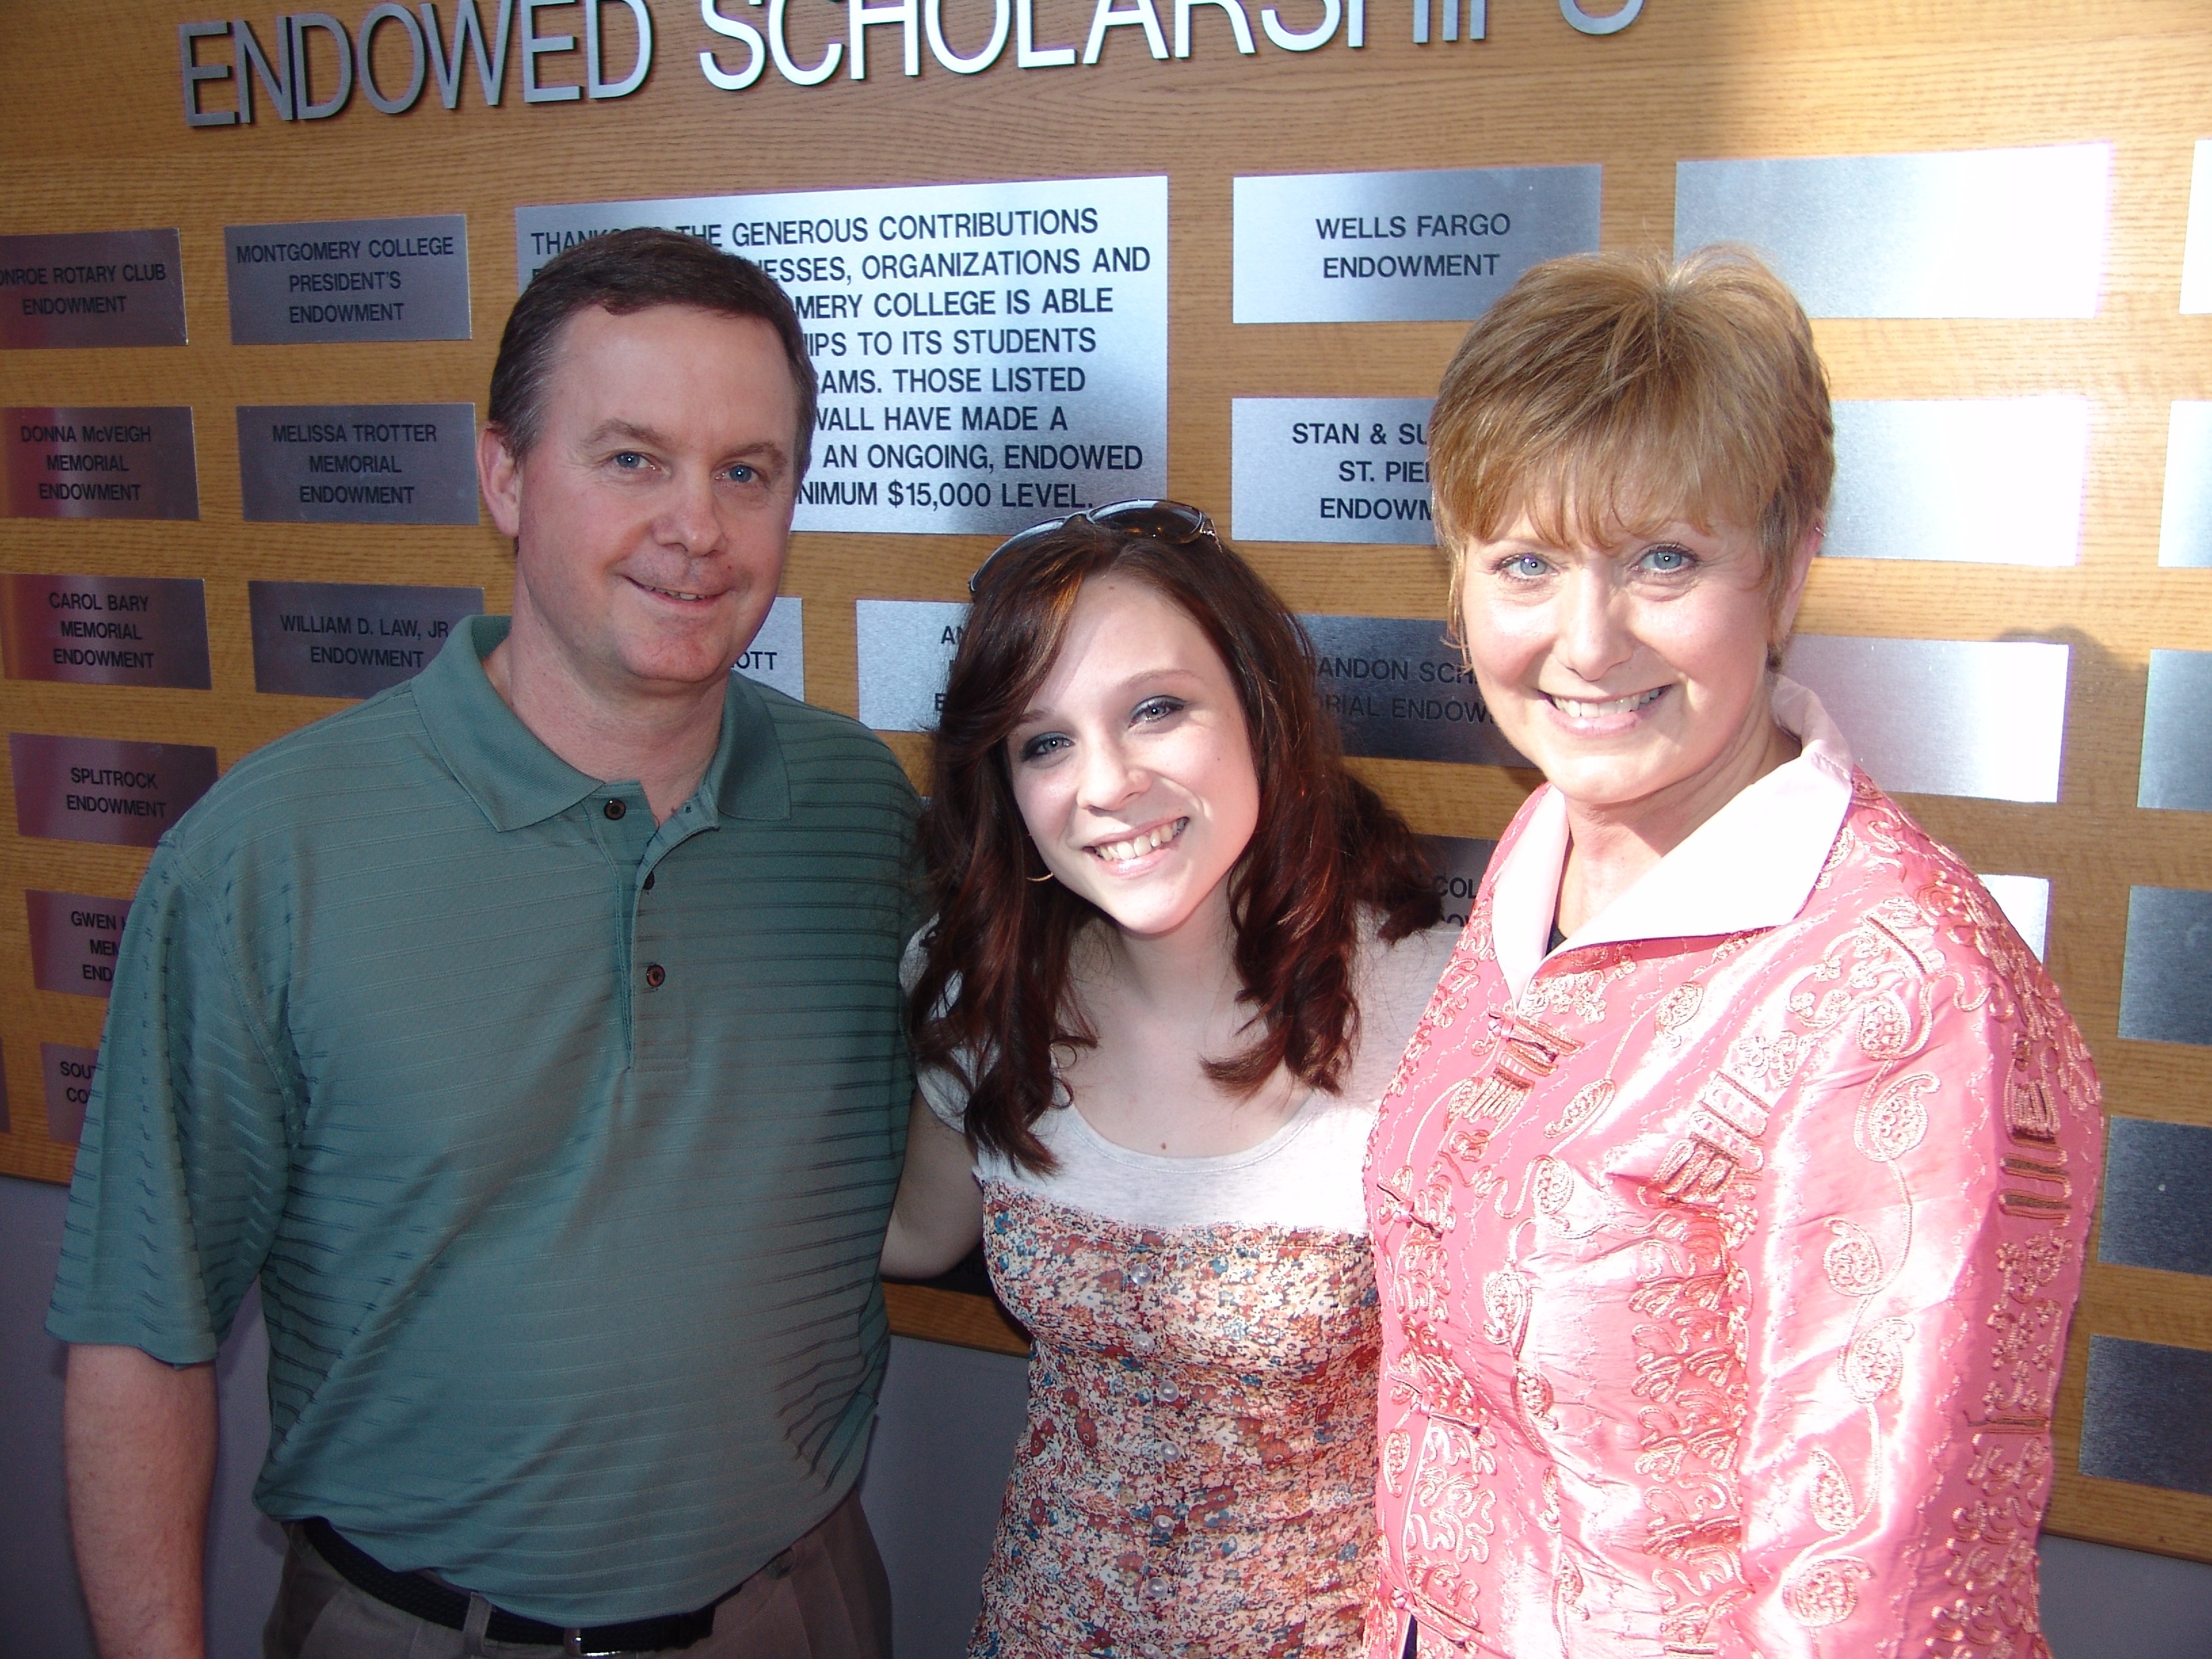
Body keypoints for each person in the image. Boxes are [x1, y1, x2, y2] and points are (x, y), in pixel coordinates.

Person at [48, 228, 917, 1659]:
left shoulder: (857, 816)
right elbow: (142, 1334)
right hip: (420, 1628)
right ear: (506, 475)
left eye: (745, 471)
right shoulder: (271, 852)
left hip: (800, 1612)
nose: (696, 527)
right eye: (631, 458)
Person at [1365, 249, 2103, 1659]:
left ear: (1789, 564)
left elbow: (1870, 1595)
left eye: (1664, 559)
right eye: (1525, 561)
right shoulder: (1544, 846)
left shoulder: (1901, 983)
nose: (1587, 642)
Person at [881, 504, 1457, 1657]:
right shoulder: (979, 997)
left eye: (1156, 709)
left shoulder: (1440, 1007)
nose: (1107, 784)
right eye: (1044, 741)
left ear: (1260, 708)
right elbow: (911, 1234)